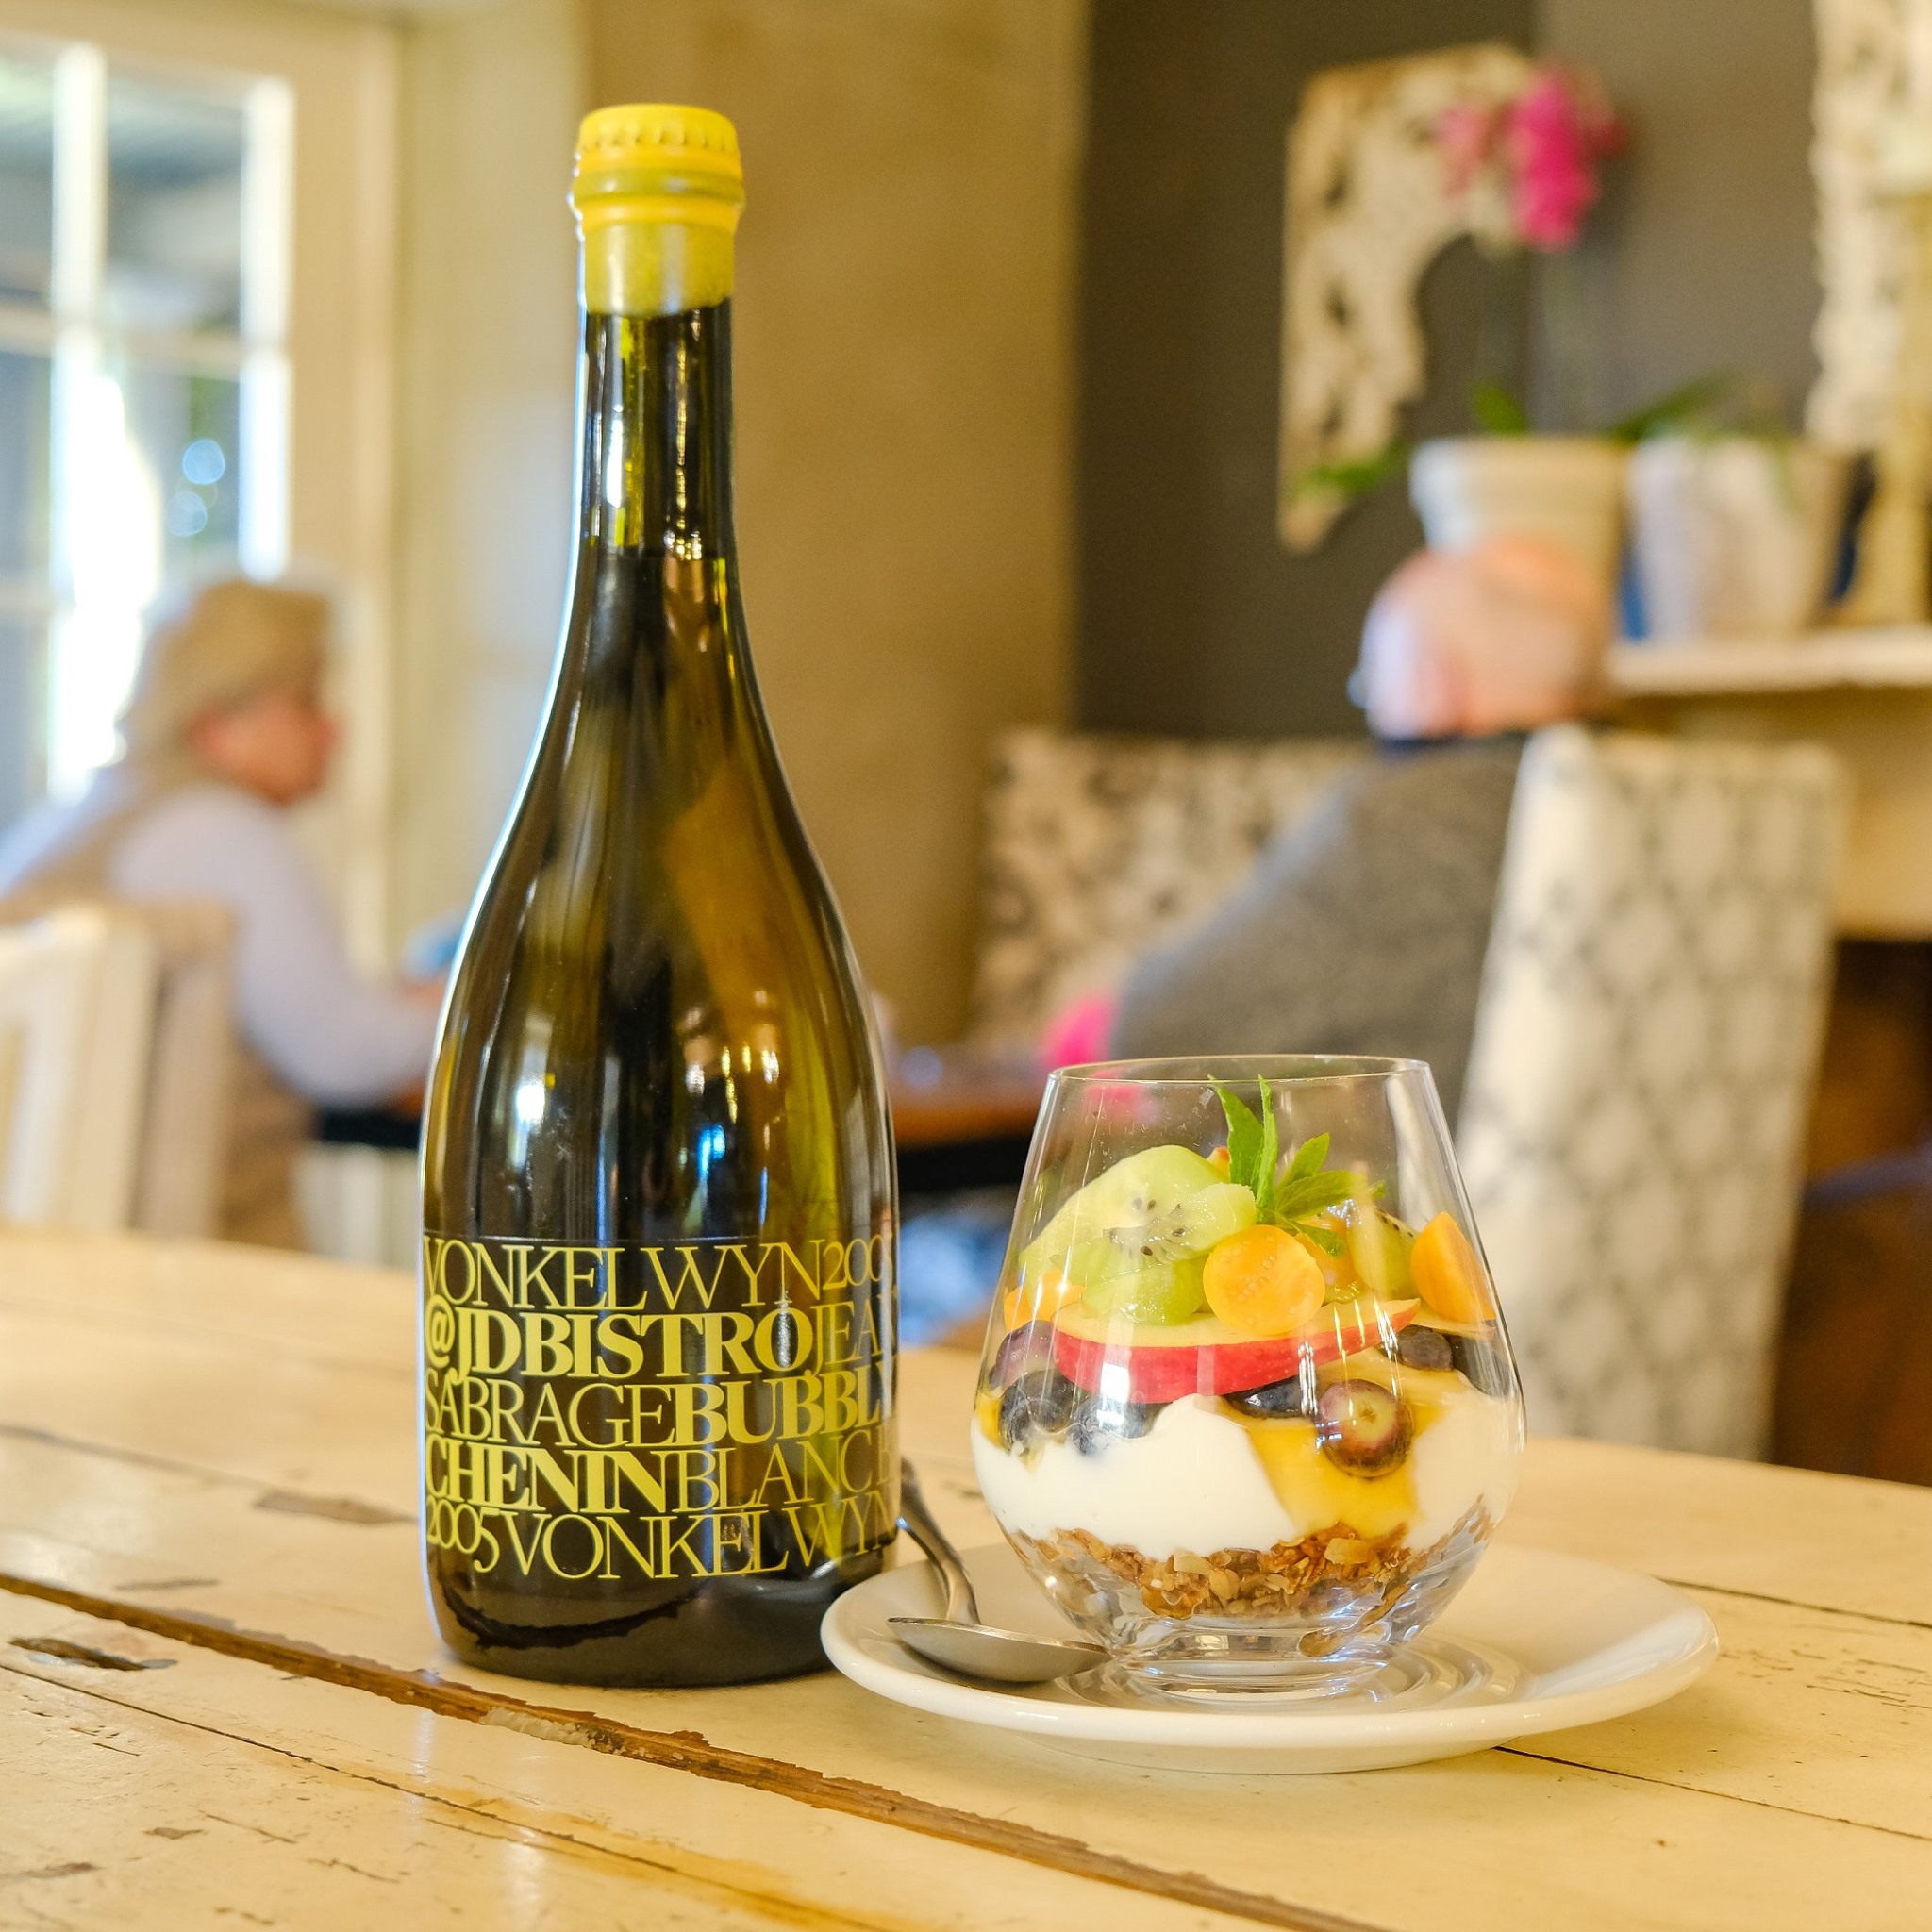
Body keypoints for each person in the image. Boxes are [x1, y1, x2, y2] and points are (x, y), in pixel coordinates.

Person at [1108, 535, 1610, 1122]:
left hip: (1423, 1181)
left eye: (1372, 682)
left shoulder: (1405, 820)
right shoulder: (1650, 809)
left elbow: (1159, 1033)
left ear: (1434, 680)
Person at [0, 580, 440, 1246]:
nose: (333, 730)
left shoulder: (82, 812)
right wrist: (484, 1005)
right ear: (219, 722)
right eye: (306, 703)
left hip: (53, 1253)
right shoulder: (216, 829)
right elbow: (346, 1053)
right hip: (193, 1259)